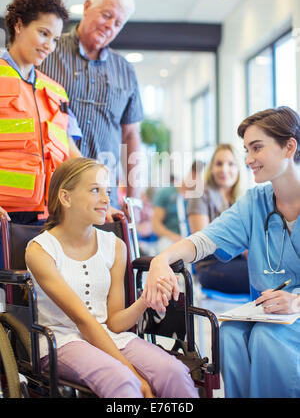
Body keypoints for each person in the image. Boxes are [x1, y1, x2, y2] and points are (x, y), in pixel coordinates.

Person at [142, 106, 300, 398]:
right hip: (269, 313)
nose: (248, 159)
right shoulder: (255, 202)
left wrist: (296, 301)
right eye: (247, 150)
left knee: (267, 339)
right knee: (229, 333)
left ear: (289, 146)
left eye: (257, 148)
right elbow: (203, 241)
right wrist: (161, 260)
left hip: (293, 314)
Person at [25, 158, 198, 399]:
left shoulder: (115, 247)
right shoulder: (41, 251)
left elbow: (114, 323)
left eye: (107, 191)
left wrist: (145, 300)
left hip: (111, 335)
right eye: (95, 190)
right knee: (123, 381)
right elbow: (84, 321)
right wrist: (134, 375)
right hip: (61, 341)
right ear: (65, 198)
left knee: (174, 372)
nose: (107, 200)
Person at [40, 0, 144, 214]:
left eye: (118, 23)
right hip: (53, 193)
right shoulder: (49, 52)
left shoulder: (125, 70)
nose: (110, 26)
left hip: (104, 201)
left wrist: (133, 198)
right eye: (106, 15)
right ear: (87, 7)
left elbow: (131, 135)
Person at [0, 0, 82, 227]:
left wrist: (99, 194)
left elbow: (71, 153)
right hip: (4, 217)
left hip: (49, 219)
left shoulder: (55, 91)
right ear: (19, 25)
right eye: (43, 33)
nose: (50, 46)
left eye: (55, 39)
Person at [187, 144, 250, 294]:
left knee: (274, 271)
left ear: (239, 168)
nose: (224, 169)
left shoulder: (244, 198)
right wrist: (243, 249)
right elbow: (203, 243)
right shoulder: (200, 194)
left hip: (239, 261)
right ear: (212, 168)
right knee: (262, 276)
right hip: (211, 266)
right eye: (219, 164)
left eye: (231, 164)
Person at [152, 160, 204, 251]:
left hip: (192, 242)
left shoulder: (200, 198)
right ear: (192, 174)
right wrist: (172, 236)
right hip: (170, 239)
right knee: (166, 247)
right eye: (201, 179)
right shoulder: (166, 193)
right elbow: (155, 224)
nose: (203, 184)